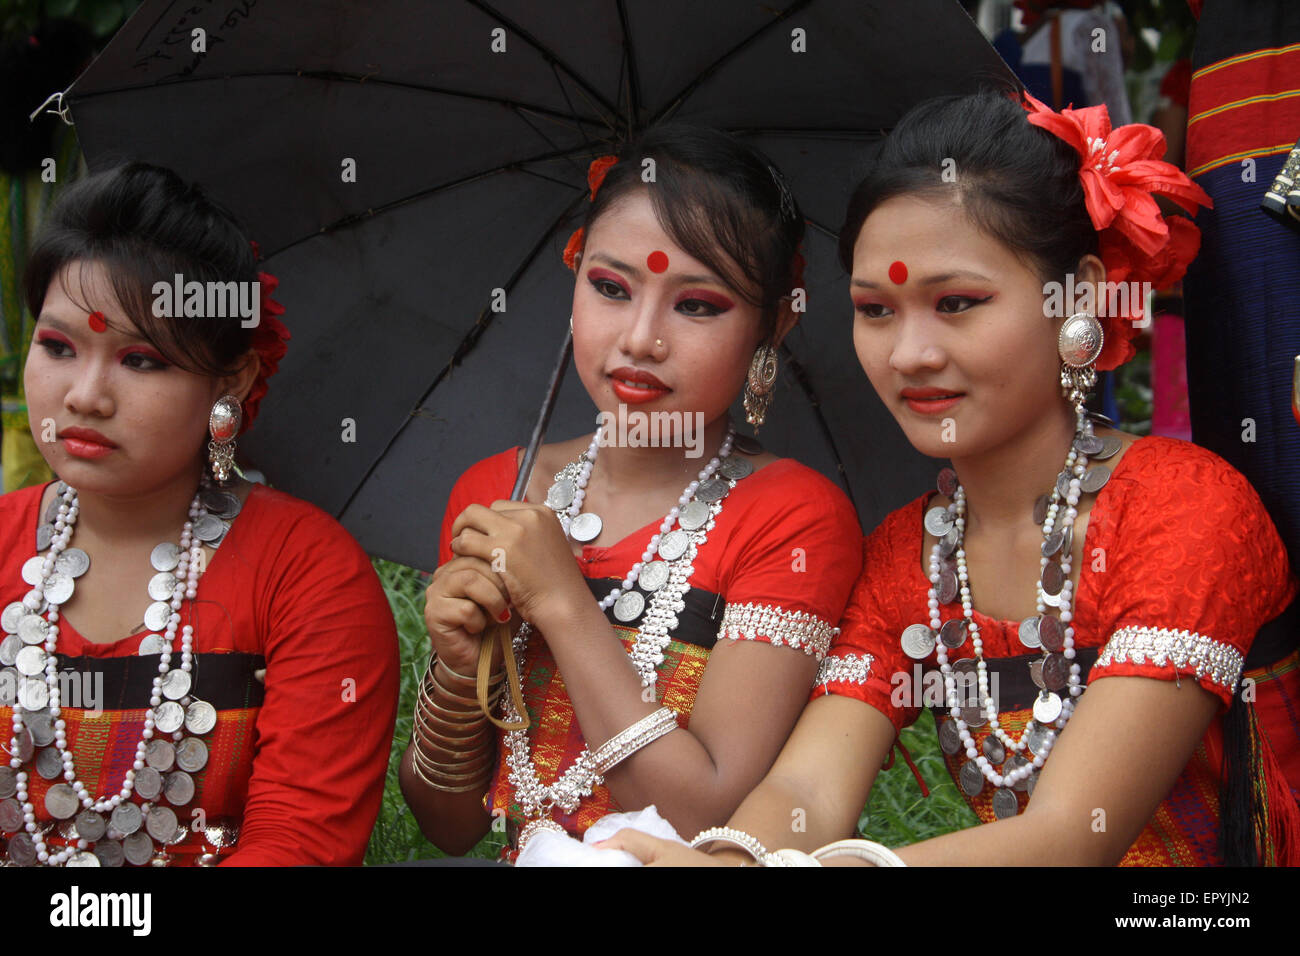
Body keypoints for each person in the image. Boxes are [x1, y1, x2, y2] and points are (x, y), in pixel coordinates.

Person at [602, 88, 1300, 867]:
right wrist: (731, 862)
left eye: (957, 302)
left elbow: (1068, 838)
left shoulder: (1184, 510)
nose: (909, 355)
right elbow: (807, 792)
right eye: (876, 310)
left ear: (1080, 295)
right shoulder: (911, 553)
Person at [399, 125, 863, 859]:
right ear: (574, 275)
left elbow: (701, 811)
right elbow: (451, 825)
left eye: (698, 305)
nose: (641, 338)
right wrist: (460, 669)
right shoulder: (500, 494)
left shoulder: (791, 519)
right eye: (611, 288)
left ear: (774, 324)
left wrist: (559, 601)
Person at [0, 163, 399, 866]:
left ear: (233, 379)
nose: (85, 396)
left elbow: (297, 846)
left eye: (141, 360)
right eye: (58, 346)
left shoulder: (307, 576)